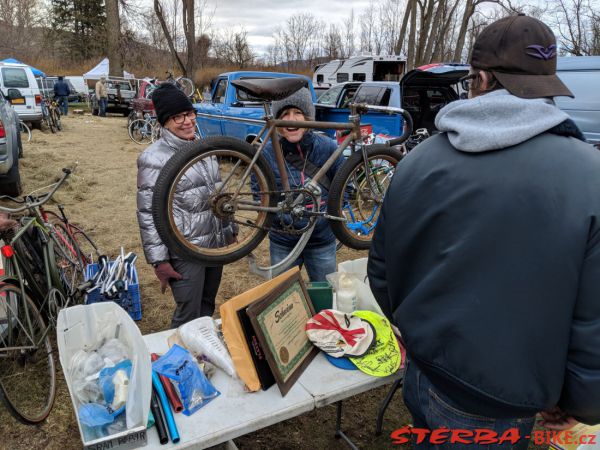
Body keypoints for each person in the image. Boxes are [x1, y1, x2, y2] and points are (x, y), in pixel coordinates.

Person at [368, 14, 600, 449]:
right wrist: (580, 402)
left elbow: (381, 269)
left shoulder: (417, 161)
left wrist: (415, 334)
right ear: (548, 80)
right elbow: (593, 315)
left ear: (480, 77)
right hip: (503, 398)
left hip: (425, 373)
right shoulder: (589, 176)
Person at [136, 83, 234, 328]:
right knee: (187, 313)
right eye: (177, 116)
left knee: (207, 305)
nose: (187, 121)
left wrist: (230, 231)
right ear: (164, 122)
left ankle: (202, 355)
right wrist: (159, 261)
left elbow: (219, 193)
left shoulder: (204, 147)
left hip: (213, 244)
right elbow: (148, 214)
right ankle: (179, 361)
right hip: (184, 250)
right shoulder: (153, 158)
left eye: (189, 113)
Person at [262, 87, 344, 282]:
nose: (292, 119)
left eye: (298, 112)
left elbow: (344, 188)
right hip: (283, 241)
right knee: (281, 299)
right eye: (285, 114)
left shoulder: (328, 147)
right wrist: (282, 217)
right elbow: (260, 195)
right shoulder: (267, 153)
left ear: (309, 118)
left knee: (326, 295)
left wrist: (329, 215)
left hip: (321, 240)